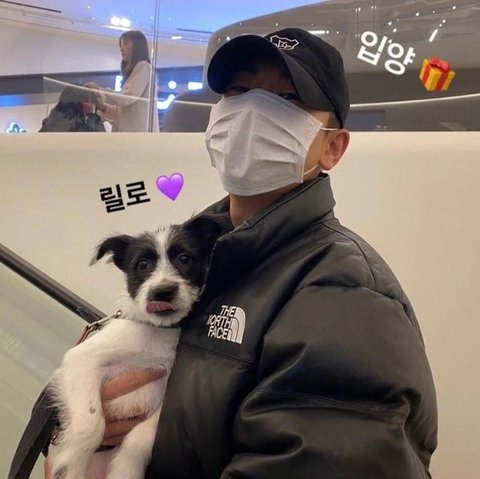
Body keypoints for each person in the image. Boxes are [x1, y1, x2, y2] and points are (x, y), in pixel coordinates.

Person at [44, 28, 437, 478]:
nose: (253, 112)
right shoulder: (214, 257)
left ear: (333, 147)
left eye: (287, 98)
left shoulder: (346, 295)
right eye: (239, 90)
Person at [86, 30, 159, 132]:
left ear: (136, 45)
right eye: (121, 45)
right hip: (131, 136)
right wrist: (103, 107)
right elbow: (123, 114)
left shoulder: (144, 67)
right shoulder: (137, 71)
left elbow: (127, 97)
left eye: (125, 43)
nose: (121, 48)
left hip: (137, 137)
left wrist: (100, 91)